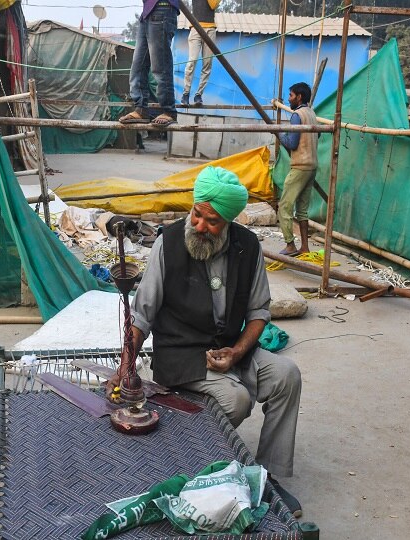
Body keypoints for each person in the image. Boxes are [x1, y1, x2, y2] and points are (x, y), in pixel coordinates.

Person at [106, 166, 303, 516]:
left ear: (228, 221)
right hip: (181, 354)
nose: (199, 226)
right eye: (197, 214)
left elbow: (259, 313)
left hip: (230, 348)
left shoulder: (247, 246)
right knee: (237, 399)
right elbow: (141, 316)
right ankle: (192, 461)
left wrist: (237, 351)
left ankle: (265, 477)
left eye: (212, 221)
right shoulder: (168, 244)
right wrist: (125, 367)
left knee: (286, 375)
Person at [119, 0, 179, 127]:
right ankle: (140, 109)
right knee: (138, 67)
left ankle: (169, 111)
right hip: (147, 12)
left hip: (162, 7)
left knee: (160, 66)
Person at [277, 82, 318, 256]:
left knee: (284, 205)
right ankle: (305, 247)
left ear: (299, 97)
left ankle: (290, 244)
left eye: (291, 95)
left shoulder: (297, 115)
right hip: (312, 165)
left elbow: (292, 143)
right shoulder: (312, 114)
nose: (288, 99)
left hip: (300, 165)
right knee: (302, 209)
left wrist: (279, 133)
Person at [181, 0, 220, 108]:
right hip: (195, 27)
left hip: (210, 28)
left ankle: (198, 94)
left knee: (207, 63)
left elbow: (213, 5)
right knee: (192, 61)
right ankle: (186, 93)